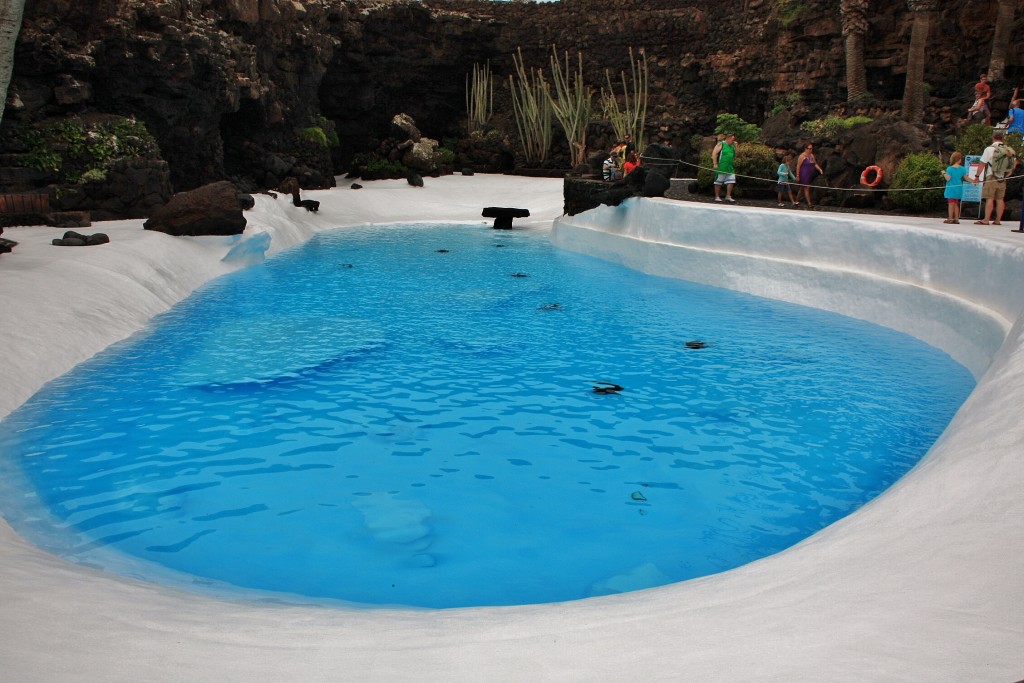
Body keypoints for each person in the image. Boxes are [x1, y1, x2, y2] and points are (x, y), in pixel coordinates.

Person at [974, 130, 1018, 226]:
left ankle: (986, 220)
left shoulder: (989, 149)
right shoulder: (1008, 150)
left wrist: (977, 176)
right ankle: (997, 220)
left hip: (991, 176)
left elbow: (982, 164)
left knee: (989, 198)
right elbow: (1014, 164)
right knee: (1000, 199)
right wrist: (1008, 174)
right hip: (1002, 178)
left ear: (993, 137)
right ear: (1002, 138)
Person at [942, 151, 972, 224]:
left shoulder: (950, 168)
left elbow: (948, 178)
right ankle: (956, 219)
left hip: (951, 188)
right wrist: (973, 181)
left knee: (951, 203)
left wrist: (944, 173)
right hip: (959, 188)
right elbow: (966, 178)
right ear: (959, 159)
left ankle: (950, 219)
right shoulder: (962, 169)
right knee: (956, 203)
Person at [795, 143, 823, 208]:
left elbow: (815, 164)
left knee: (802, 188)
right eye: (809, 149)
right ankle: (809, 203)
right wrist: (797, 175)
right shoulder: (802, 156)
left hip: (809, 174)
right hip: (803, 174)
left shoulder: (811, 155)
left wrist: (820, 169)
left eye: (811, 148)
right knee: (807, 188)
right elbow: (798, 166)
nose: (811, 150)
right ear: (805, 149)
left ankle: (796, 201)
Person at [712, 133, 737, 202]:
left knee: (731, 180)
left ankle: (728, 196)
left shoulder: (732, 146)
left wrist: (736, 147)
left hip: (730, 166)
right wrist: (715, 163)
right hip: (721, 166)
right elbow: (714, 153)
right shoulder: (721, 144)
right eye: (732, 140)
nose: (733, 141)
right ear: (728, 139)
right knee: (718, 182)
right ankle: (717, 196)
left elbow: (735, 155)